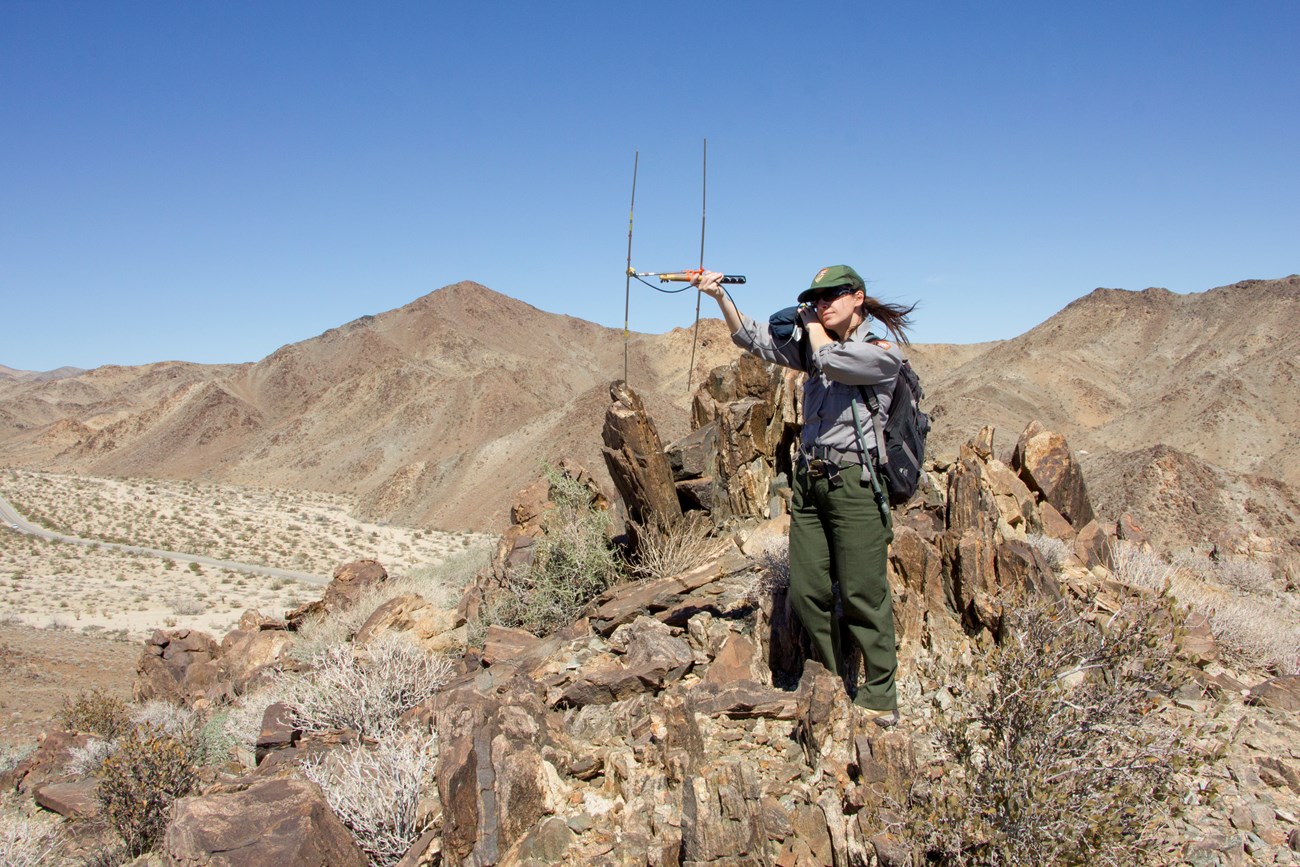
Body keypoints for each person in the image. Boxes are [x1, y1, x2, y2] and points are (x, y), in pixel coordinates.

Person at [695, 265, 916, 726]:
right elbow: (753, 339)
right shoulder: (815, 350)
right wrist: (719, 297)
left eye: (833, 295)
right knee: (808, 591)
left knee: (862, 593)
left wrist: (811, 326)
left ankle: (880, 695)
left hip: (855, 485)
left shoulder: (881, 354)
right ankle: (834, 680)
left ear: (858, 297)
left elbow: (834, 362)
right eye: (816, 298)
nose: (822, 303)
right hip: (811, 485)